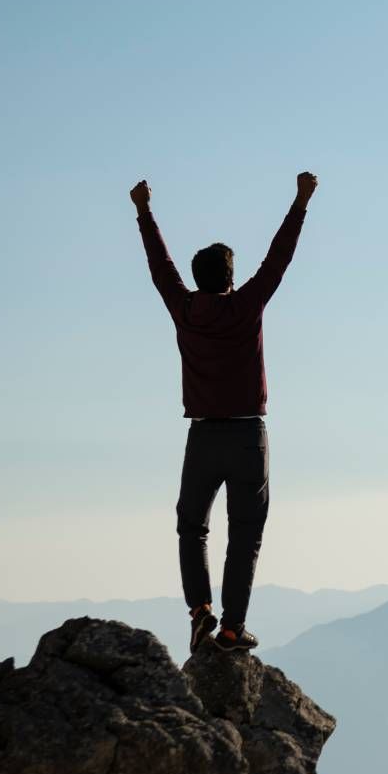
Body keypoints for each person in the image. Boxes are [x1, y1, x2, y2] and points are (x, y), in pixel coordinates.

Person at [130, 172, 317, 654]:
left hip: (203, 437)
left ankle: (200, 612)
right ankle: (233, 629)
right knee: (245, 534)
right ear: (232, 278)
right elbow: (280, 259)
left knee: (192, 526)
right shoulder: (247, 306)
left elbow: (159, 266)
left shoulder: (184, 308)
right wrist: (300, 201)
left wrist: (145, 211)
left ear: (198, 279)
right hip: (248, 437)